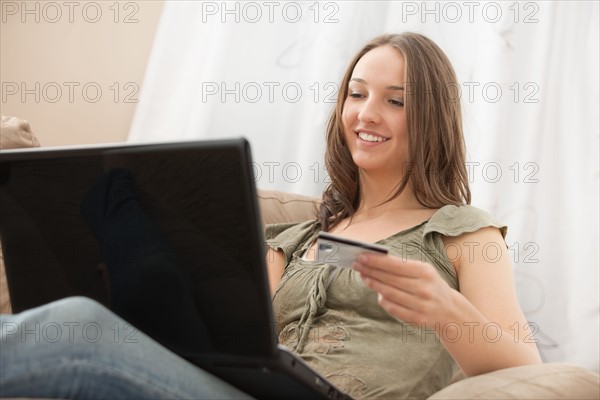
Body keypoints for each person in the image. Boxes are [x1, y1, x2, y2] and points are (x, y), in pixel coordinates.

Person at [0, 32, 541, 399]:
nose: (366, 114)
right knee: (83, 317)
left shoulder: (463, 232)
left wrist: (444, 307)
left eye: (395, 101)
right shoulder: (295, 239)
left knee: (81, 328)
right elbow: (233, 340)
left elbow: (529, 373)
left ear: (432, 116)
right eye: (356, 94)